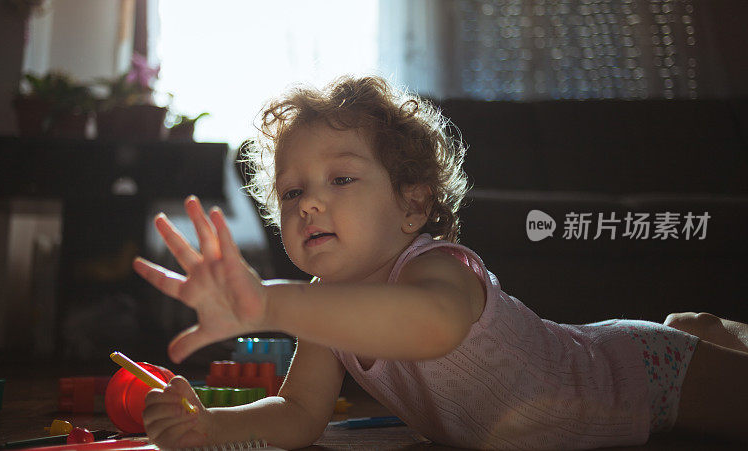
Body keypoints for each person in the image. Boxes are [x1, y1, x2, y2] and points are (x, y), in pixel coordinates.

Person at [132, 75, 748, 449]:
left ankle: (693, 335)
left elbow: (433, 325)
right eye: (292, 192)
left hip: (640, 376)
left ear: (412, 204)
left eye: (341, 177)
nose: (310, 201)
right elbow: (299, 415)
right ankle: (694, 327)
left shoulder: (438, 268)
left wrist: (266, 302)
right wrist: (210, 427)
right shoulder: (324, 307)